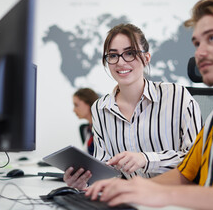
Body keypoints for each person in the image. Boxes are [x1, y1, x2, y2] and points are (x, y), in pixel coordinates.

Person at [85, 0, 213, 209]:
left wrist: (164, 195)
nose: (200, 52)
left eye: (212, 38)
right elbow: (184, 173)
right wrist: (130, 191)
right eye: (197, 43)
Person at [64, 23, 202, 189]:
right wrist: (84, 182)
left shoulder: (177, 96)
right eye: (113, 55)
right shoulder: (100, 109)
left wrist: (146, 159)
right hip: (130, 199)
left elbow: (197, 158)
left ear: (146, 58)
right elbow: (105, 171)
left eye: (130, 53)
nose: (121, 62)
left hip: (175, 198)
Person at [72, 88, 99, 156]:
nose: (74, 110)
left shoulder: (103, 129)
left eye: (76, 105)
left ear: (88, 103)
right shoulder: (85, 129)